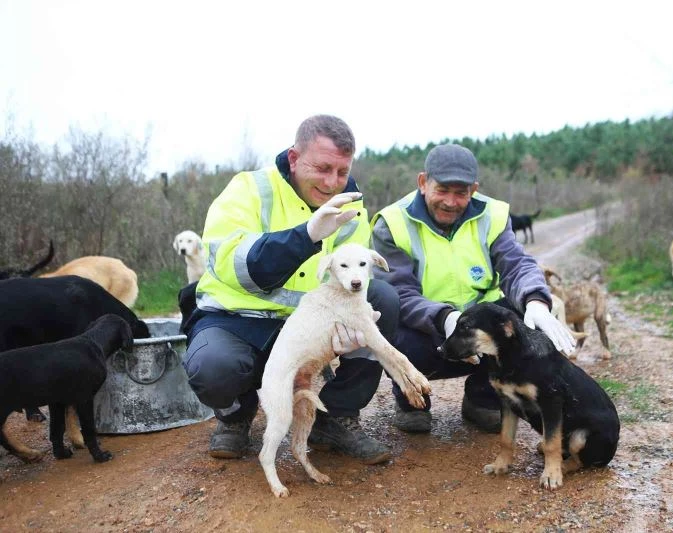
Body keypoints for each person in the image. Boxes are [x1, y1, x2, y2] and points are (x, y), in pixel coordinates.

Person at [182, 115, 399, 464]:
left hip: (308, 324)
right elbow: (237, 265)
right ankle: (235, 416)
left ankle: (336, 416)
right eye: (322, 168)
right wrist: (306, 236)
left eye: (341, 172)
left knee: (383, 301)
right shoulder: (249, 189)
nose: (332, 183)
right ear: (295, 159)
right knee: (213, 365)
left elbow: (353, 281)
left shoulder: (352, 206)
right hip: (238, 320)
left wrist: (351, 328)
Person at [371, 143, 576, 434]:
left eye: (461, 193)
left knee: (523, 316)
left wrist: (536, 302)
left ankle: (483, 398)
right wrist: (446, 318)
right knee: (388, 313)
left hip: (479, 333)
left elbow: (517, 265)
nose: (451, 202)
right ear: (422, 182)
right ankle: (411, 398)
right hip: (427, 332)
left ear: (474, 189)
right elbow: (400, 292)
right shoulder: (391, 223)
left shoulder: (492, 215)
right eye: (442, 190)